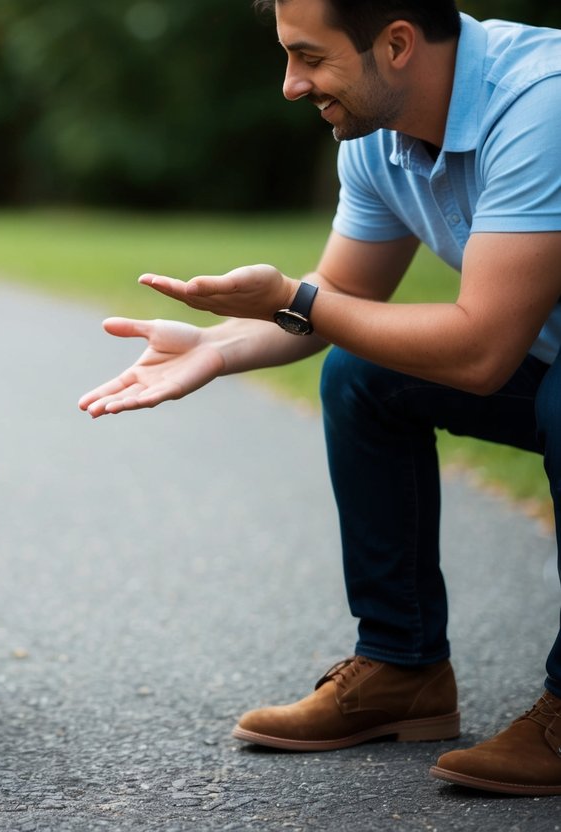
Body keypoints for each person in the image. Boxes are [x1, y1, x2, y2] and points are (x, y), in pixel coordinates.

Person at [79, 0, 561, 796]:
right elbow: (339, 300)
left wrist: (294, 298)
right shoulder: (380, 134)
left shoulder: (539, 102)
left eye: (308, 57)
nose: (290, 85)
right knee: (362, 374)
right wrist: (214, 349)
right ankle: (401, 667)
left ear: (396, 44)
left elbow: (479, 352)